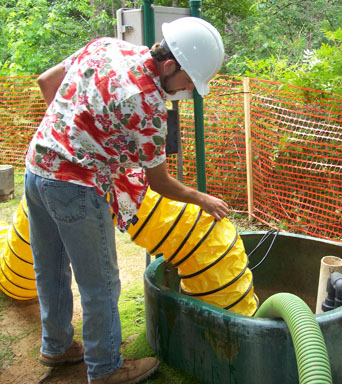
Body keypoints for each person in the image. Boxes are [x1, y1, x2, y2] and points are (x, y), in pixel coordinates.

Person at [24, 17, 229, 384]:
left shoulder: (106, 46)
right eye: (185, 83)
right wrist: (202, 198)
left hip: (37, 166)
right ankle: (105, 369)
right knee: (100, 283)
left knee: (50, 268)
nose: (185, 91)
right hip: (77, 187)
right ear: (169, 65)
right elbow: (160, 182)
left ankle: (55, 346)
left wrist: (69, 134)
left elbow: (46, 81)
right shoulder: (148, 106)